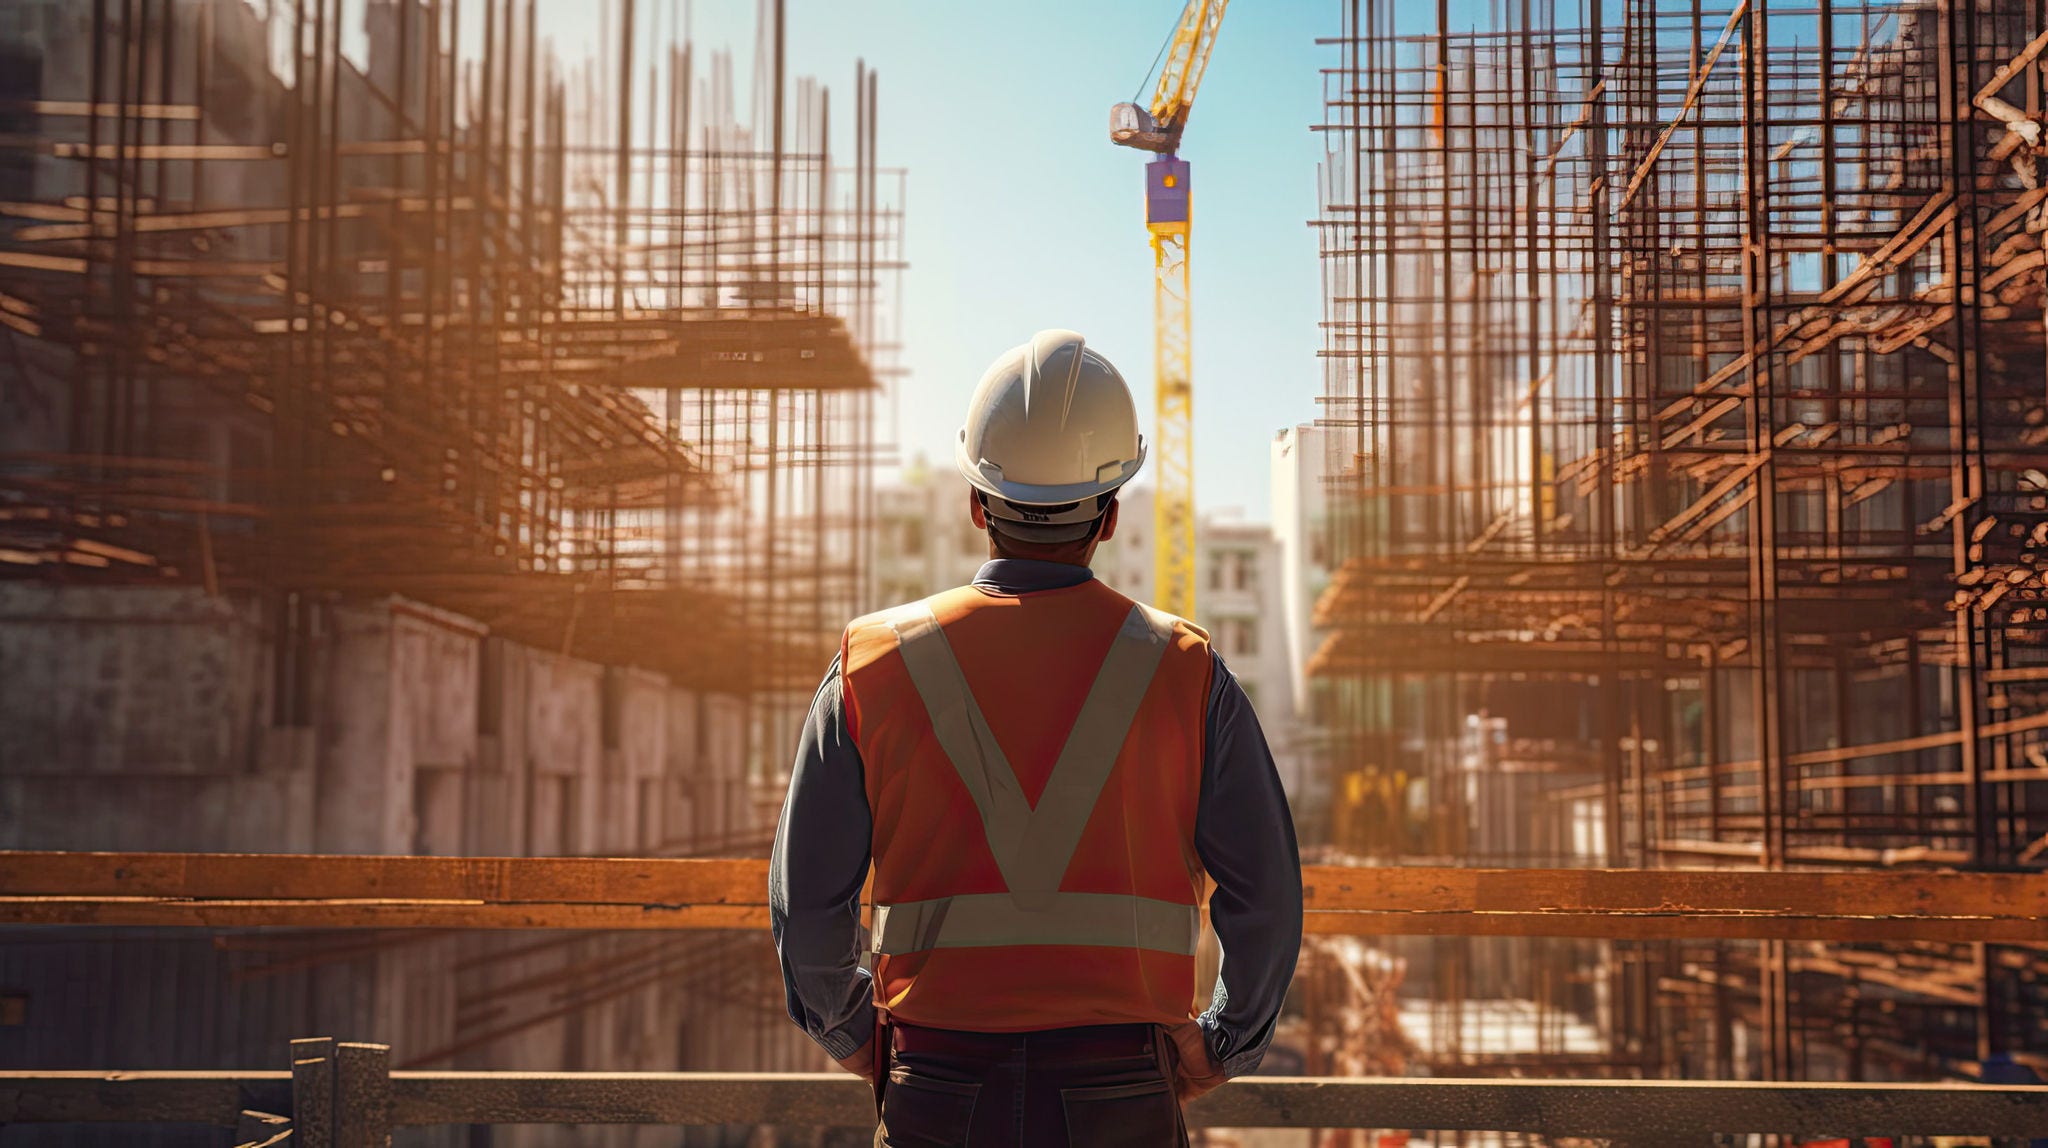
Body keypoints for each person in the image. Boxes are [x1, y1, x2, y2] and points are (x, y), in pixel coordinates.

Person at [771, 329, 1303, 1146]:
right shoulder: (1189, 672)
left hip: (934, 1084)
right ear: (1114, 515)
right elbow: (1265, 894)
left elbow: (807, 902)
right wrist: (1225, 1041)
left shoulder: (870, 666)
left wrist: (856, 1035)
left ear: (977, 505)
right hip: (1123, 1089)